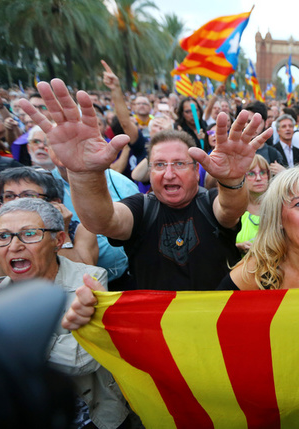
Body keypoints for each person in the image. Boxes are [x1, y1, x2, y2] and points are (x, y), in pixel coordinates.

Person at [20, 78, 272, 292]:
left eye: (180, 164)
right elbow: (101, 220)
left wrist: (230, 180)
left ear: (197, 171)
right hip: (154, 334)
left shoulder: (209, 202)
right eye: (159, 165)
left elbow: (230, 208)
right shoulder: (140, 208)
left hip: (215, 328)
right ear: (149, 173)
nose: (169, 173)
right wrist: (84, 173)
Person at [0, 198, 130, 429]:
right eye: (2, 236)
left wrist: (0, 338)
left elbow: (82, 359)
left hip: (91, 418)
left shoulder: (89, 280)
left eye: (29, 233)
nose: (14, 246)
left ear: (58, 240)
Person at [235, 155, 270, 254]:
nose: (258, 178)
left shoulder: (279, 206)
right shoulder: (234, 209)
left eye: (263, 172)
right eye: (251, 174)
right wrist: (238, 247)